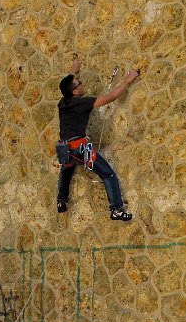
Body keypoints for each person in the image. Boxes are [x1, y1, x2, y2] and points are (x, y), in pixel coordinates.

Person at [56, 57, 140, 220]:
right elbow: (112, 96)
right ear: (75, 92)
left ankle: (61, 201)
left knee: (67, 168)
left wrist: (74, 69)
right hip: (80, 149)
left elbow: (67, 83)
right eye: (79, 83)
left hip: (65, 150)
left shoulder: (63, 102)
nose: (82, 84)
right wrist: (127, 80)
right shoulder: (83, 103)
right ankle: (116, 209)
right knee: (108, 174)